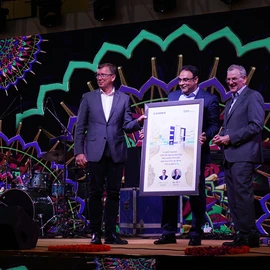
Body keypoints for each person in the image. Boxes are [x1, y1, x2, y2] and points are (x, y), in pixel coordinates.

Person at [74, 63, 146, 245]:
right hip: (94, 152)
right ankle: (95, 233)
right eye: (97, 75)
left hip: (116, 151)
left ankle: (110, 234)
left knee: (114, 194)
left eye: (103, 75)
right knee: (95, 193)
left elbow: (127, 125)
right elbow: (80, 126)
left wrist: (139, 122)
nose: (99, 78)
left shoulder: (123, 98)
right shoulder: (88, 98)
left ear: (113, 77)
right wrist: (79, 152)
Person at [154, 65, 220, 246]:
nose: (182, 83)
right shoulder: (173, 97)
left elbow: (215, 125)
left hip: (195, 154)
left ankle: (196, 232)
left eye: (186, 80)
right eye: (180, 79)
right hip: (172, 152)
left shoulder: (209, 99)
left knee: (196, 193)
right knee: (168, 191)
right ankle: (168, 233)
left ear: (196, 80)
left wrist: (206, 135)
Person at [212, 64, 264, 247]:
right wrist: (221, 136)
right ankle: (242, 234)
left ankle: (249, 235)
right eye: (228, 79)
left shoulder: (253, 96)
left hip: (244, 155)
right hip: (231, 155)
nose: (231, 82)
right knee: (233, 197)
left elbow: (256, 125)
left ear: (244, 79)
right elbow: (231, 127)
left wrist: (230, 137)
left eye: (234, 78)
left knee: (242, 196)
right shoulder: (230, 101)